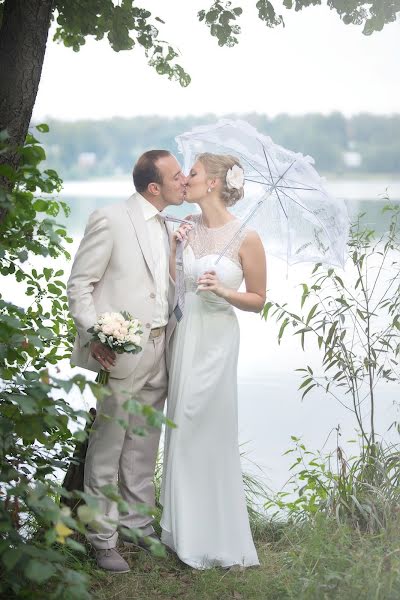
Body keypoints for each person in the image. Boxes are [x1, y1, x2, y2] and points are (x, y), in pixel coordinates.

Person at [67, 150, 186, 573]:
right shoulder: (111, 218)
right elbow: (80, 285)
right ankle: (102, 538)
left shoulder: (171, 225)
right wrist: (96, 334)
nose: (185, 179)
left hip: (161, 347)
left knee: (143, 441)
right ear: (154, 187)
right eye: (176, 176)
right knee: (108, 444)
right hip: (121, 350)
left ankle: (137, 524)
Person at [160, 152, 267, 569]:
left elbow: (258, 300)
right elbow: (175, 285)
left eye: (194, 172)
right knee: (182, 427)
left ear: (215, 184)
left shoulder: (247, 237)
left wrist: (223, 292)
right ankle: (182, 531)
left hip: (218, 339)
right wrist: (173, 248)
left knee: (209, 426)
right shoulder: (188, 229)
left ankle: (217, 536)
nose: (185, 178)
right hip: (186, 336)